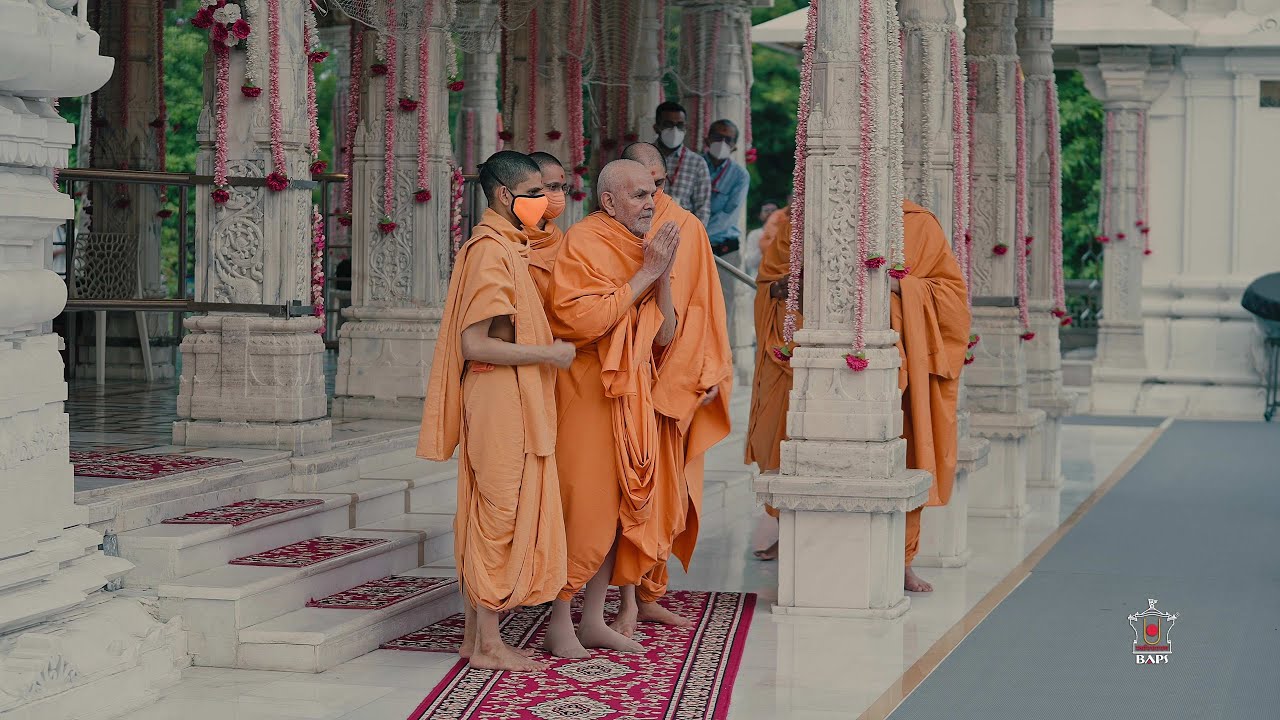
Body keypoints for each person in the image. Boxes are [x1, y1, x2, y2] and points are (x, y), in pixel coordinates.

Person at [416, 151, 575, 672]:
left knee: (495, 511)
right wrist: (548, 354)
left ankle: (473, 639)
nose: (544, 201)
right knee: (498, 516)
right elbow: (476, 344)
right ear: (506, 195)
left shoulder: (509, 245)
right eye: (535, 192)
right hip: (495, 394)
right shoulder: (491, 250)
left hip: (509, 394)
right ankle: (487, 644)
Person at [542, 159, 682, 658]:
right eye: (641, 195)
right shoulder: (584, 242)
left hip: (632, 393)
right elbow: (584, 320)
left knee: (622, 509)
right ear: (609, 202)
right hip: (589, 390)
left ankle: (594, 618)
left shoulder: (643, 249)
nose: (651, 203)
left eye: (653, 194)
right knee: (584, 506)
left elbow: (664, 335)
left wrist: (660, 273)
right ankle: (560, 625)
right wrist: (647, 271)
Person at [610, 142, 733, 635]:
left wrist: (704, 374)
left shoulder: (687, 227)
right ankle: (621, 603)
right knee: (628, 497)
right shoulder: (609, 231)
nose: (653, 195)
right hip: (626, 382)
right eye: (643, 186)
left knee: (671, 495)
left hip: (676, 384)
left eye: (659, 184)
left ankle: (650, 593)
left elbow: (705, 308)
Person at [894, 200, 970, 593]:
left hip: (914, 362)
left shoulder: (918, 223)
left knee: (912, 453)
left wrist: (901, 287)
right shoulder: (829, 215)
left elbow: (953, 297)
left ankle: (904, 561)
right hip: (849, 360)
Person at [743, 204, 796, 561]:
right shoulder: (788, 225)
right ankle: (783, 531)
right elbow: (766, 284)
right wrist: (781, 288)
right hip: (782, 349)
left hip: (835, 355)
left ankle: (797, 539)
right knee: (772, 443)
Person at [702, 119, 751, 350]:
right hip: (690, 248)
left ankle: (719, 359)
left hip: (724, 249)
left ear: (734, 146)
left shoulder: (740, 175)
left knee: (722, 307)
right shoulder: (694, 165)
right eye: (717, 137)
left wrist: (695, 232)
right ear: (706, 139)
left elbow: (729, 215)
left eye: (727, 139)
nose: (721, 143)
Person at [653, 101, 711, 225]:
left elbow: (703, 208)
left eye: (680, 125)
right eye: (668, 124)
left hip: (682, 231)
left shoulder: (697, 163)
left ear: (685, 128)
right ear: (656, 127)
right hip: (646, 230)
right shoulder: (642, 156)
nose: (675, 130)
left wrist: (692, 236)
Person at [526, 151, 569, 303]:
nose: (560, 195)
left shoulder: (557, 237)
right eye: (553, 187)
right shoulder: (511, 236)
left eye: (563, 188)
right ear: (531, 188)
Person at [742, 201, 779, 278]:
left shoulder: (786, 234)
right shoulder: (754, 234)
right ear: (760, 215)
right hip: (758, 280)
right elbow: (750, 262)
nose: (770, 213)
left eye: (773, 210)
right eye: (766, 210)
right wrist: (765, 245)